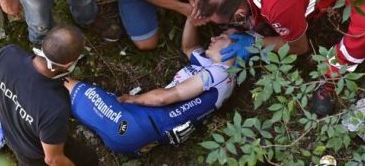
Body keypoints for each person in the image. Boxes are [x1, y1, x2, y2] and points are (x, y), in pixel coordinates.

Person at [191, 0, 365, 116]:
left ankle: (331, 76)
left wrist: (254, 44)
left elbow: (300, 47)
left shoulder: (276, 6)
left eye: (227, 23)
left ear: (240, 14)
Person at [64, 18, 237, 156]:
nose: (214, 38)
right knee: (73, 99)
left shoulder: (221, 73)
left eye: (222, 37)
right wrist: (192, 17)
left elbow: (165, 97)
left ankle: (40, 68)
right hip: (142, 136)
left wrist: (133, 98)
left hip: (137, 125)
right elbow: (189, 47)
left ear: (236, 49)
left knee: (66, 85)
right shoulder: (213, 68)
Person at [0, 25, 98, 165]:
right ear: (68, 64)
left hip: (10, 134)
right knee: (88, 159)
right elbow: (53, 159)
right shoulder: (55, 106)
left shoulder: (8, 54)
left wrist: (6, 105)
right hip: (33, 156)